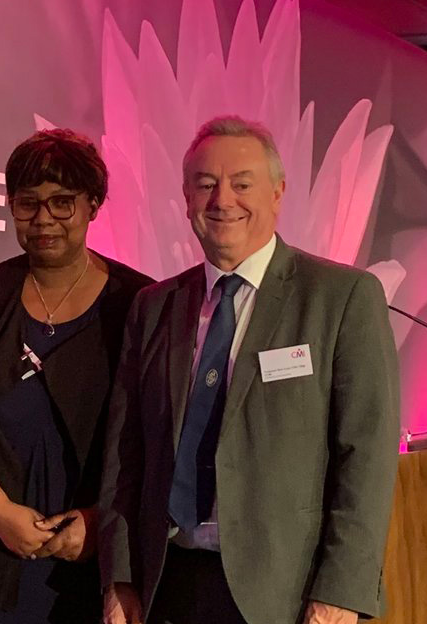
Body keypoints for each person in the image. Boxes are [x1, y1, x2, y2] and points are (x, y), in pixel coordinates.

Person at [98, 116, 400, 624]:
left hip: (284, 595)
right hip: (166, 584)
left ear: (279, 192)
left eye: (242, 184)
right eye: (206, 184)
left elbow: (366, 460)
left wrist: (341, 594)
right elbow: (125, 453)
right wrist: (120, 576)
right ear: (187, 197)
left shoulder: (341, 297)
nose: (223, 200)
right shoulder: (155, 306)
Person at [0, 129, 152, 624]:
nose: (43, 219)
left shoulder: (139, 304)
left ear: (93, 205)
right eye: (28, 204)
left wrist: (100, 525)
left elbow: (153, 441)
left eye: (62, 203)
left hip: (92, 562)